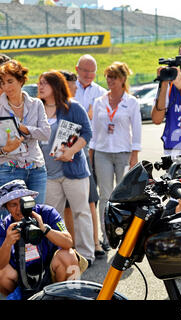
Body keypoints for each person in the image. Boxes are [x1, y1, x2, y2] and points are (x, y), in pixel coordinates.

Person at [37, 70, 96, 266]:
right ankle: (58, 257)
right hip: (48, 174)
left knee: (81, 213)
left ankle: (86, 255)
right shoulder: (37, 109)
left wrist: (71, 151)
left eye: (44, 83)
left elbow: (87, 133)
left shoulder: (72, 107)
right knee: (54, 216)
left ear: (56, 86)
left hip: (74, 172)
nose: (40, 86)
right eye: (39, 83)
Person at [0, 180, 88, 299]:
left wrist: (45, 229)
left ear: (30, 200)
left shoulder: (46, 212)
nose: (19, 209)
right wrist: (8, 242)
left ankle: (67, 296)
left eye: (22, 202)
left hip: (51, 271)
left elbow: (68, 242)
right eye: (13, 205)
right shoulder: (5, 225)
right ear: (6, 208)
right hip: (21, 277)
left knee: (69, 256)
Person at [89, 61, 142, 250]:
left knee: (123, 197)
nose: (109, 80)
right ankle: (106, 235)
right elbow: (94, 132)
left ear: (122, 79)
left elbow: (136, 130)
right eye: (107, 77)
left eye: (113, 77)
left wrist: (134, 154)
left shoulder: (132, 102)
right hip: (102, 152)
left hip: (123, 153)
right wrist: (91, 153)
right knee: (105, 196)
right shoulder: (99, 101)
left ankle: (125, 234)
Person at [60, 70, 105, 258]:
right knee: (67, 208)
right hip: (60, 164)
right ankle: (72, 245)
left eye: (73, 85)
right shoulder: (53, 106)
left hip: (82, 159)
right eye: (69, 85)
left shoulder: (77, 104)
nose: (72, 89)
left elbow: (87, 132)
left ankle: (95, 244)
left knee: (89, 203)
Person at [0, 60, 50, 206]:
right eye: (2, 82)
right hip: (8, 169)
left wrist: (25, 129)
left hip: (36, 168)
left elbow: (46, 133)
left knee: (35, 215)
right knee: (9, 221)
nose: (6, 87)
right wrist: (5, 150)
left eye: (10, 81)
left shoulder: (36, 104)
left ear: (21, 81)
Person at [74, 55, 107, 252]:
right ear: (77, 69)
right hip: (74, 150)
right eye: (85, 70)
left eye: (92, 71)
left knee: (93, 197)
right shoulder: (68, 89)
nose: (88, 75)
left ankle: (96, 240)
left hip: (96, 149)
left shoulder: (101, 93)